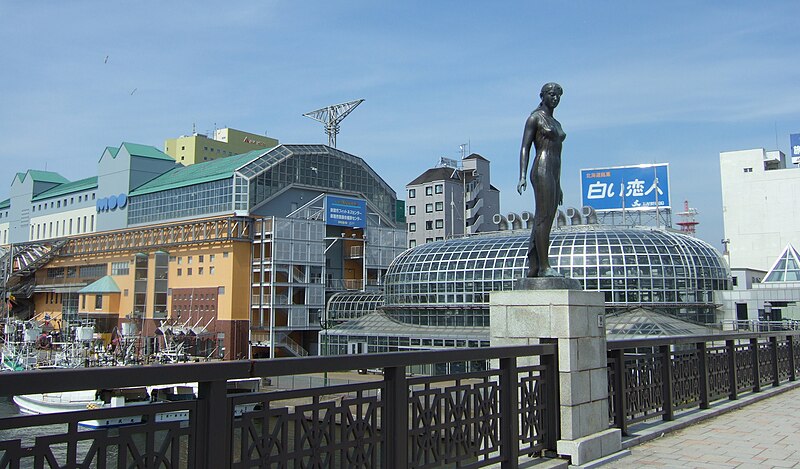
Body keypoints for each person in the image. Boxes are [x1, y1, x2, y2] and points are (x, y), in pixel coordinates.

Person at [517, 82, 566, 277]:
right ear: (542, 95)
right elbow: (524, 147)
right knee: (543, 217)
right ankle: (544, 266)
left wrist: (559, 183)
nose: (555, 98)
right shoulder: (534, 118)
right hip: (542, 167)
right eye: (551, 94)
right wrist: (522, 175)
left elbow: (560, 155)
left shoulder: (556, 123)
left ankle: (536, 264)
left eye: (558, 96)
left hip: (554, 170)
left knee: (548, 217)